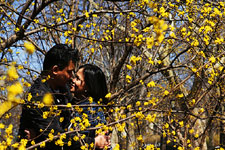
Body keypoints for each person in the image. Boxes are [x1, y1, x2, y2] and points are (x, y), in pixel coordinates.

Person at [18, 44, 108, 150]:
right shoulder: (39, 97)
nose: (71, 77)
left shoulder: (62, 88)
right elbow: (56, 138)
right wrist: (93, 142)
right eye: (69, 72)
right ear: (55, 70)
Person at [70, 64, 111, 149]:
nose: (73, 80)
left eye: (78, 79)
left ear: (88, 87)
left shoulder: (92, 110)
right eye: (74, 77)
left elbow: (102, 142)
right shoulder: (73, 103)